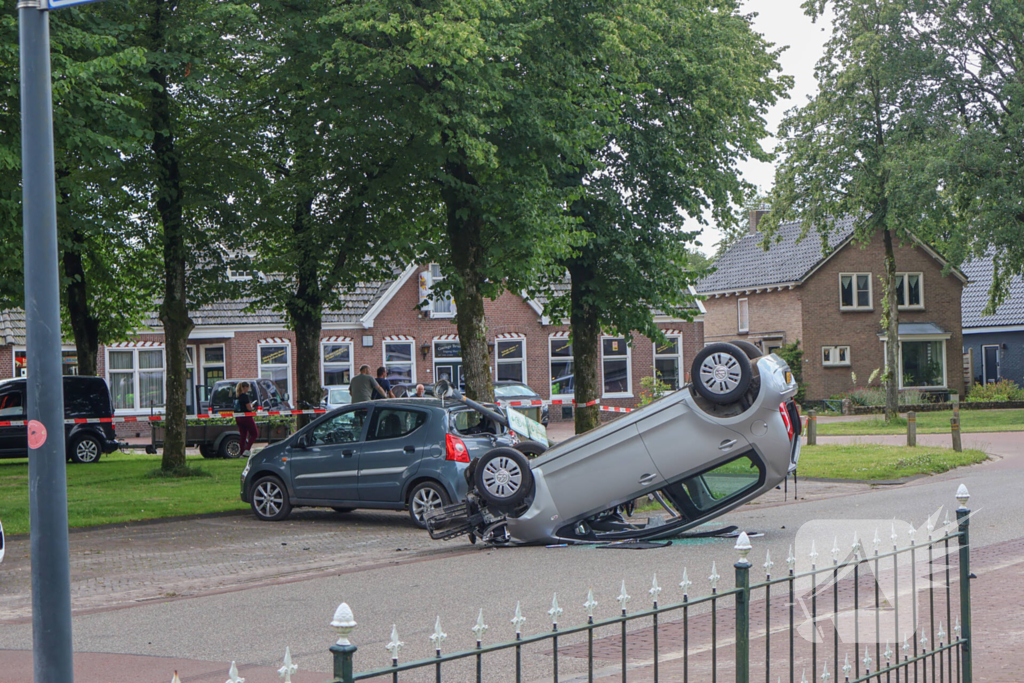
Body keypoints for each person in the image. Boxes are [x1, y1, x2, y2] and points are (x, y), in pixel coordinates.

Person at [234, 381, 259, 458]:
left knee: (243, 436)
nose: (248, 389)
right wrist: (252, 407)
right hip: (246, 417)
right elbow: (248, 408)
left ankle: (241, 453)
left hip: (238, 417)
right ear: (245, 387)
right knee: (254, 434)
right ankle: (247, 450)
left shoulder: (236, 396)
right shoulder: (245, 396)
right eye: (248, 388)